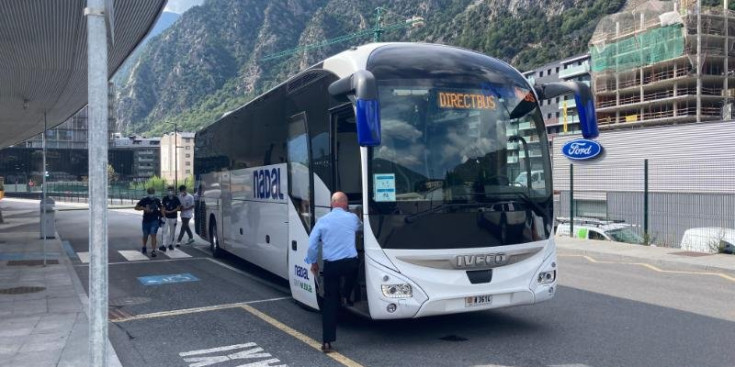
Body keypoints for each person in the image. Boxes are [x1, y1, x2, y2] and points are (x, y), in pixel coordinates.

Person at [304, 192, 362, 353]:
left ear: (332, 204)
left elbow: (312, 244)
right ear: (346, 204)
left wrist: (313, 262)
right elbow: (363, 228)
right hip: (350, 264)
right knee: (355, 271)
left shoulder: (322, 221)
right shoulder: (352, 218)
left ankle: (327, 342)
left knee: (329, 302)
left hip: (332, 266)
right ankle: (345, 294)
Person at [134, 187, 163, 257]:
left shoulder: (157, 200)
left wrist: (162, 216)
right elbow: (136, 207)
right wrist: (143, 208)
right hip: (146, 220)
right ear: (148, 193)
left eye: (152, 193)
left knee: (153, 234)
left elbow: (161, 208)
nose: (151, 194)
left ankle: (153, 250)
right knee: (145, 235)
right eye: (150, 193)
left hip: (154, 220)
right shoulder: (144, 200)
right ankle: (144, 246)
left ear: (154, 193)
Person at [161, 185, 181, 251]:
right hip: (166, 217)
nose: (170, 192)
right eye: (169, 190)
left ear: (173, 191)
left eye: (171, 190)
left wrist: (171, 211)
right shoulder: (165, 198)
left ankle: (170, 244)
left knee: (172, 232)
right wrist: (164, 215)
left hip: (173, 217)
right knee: (164, 231)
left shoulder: (176, 198)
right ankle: (164, 245)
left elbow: (178, 207)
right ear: (167, 191)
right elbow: (163, 207)